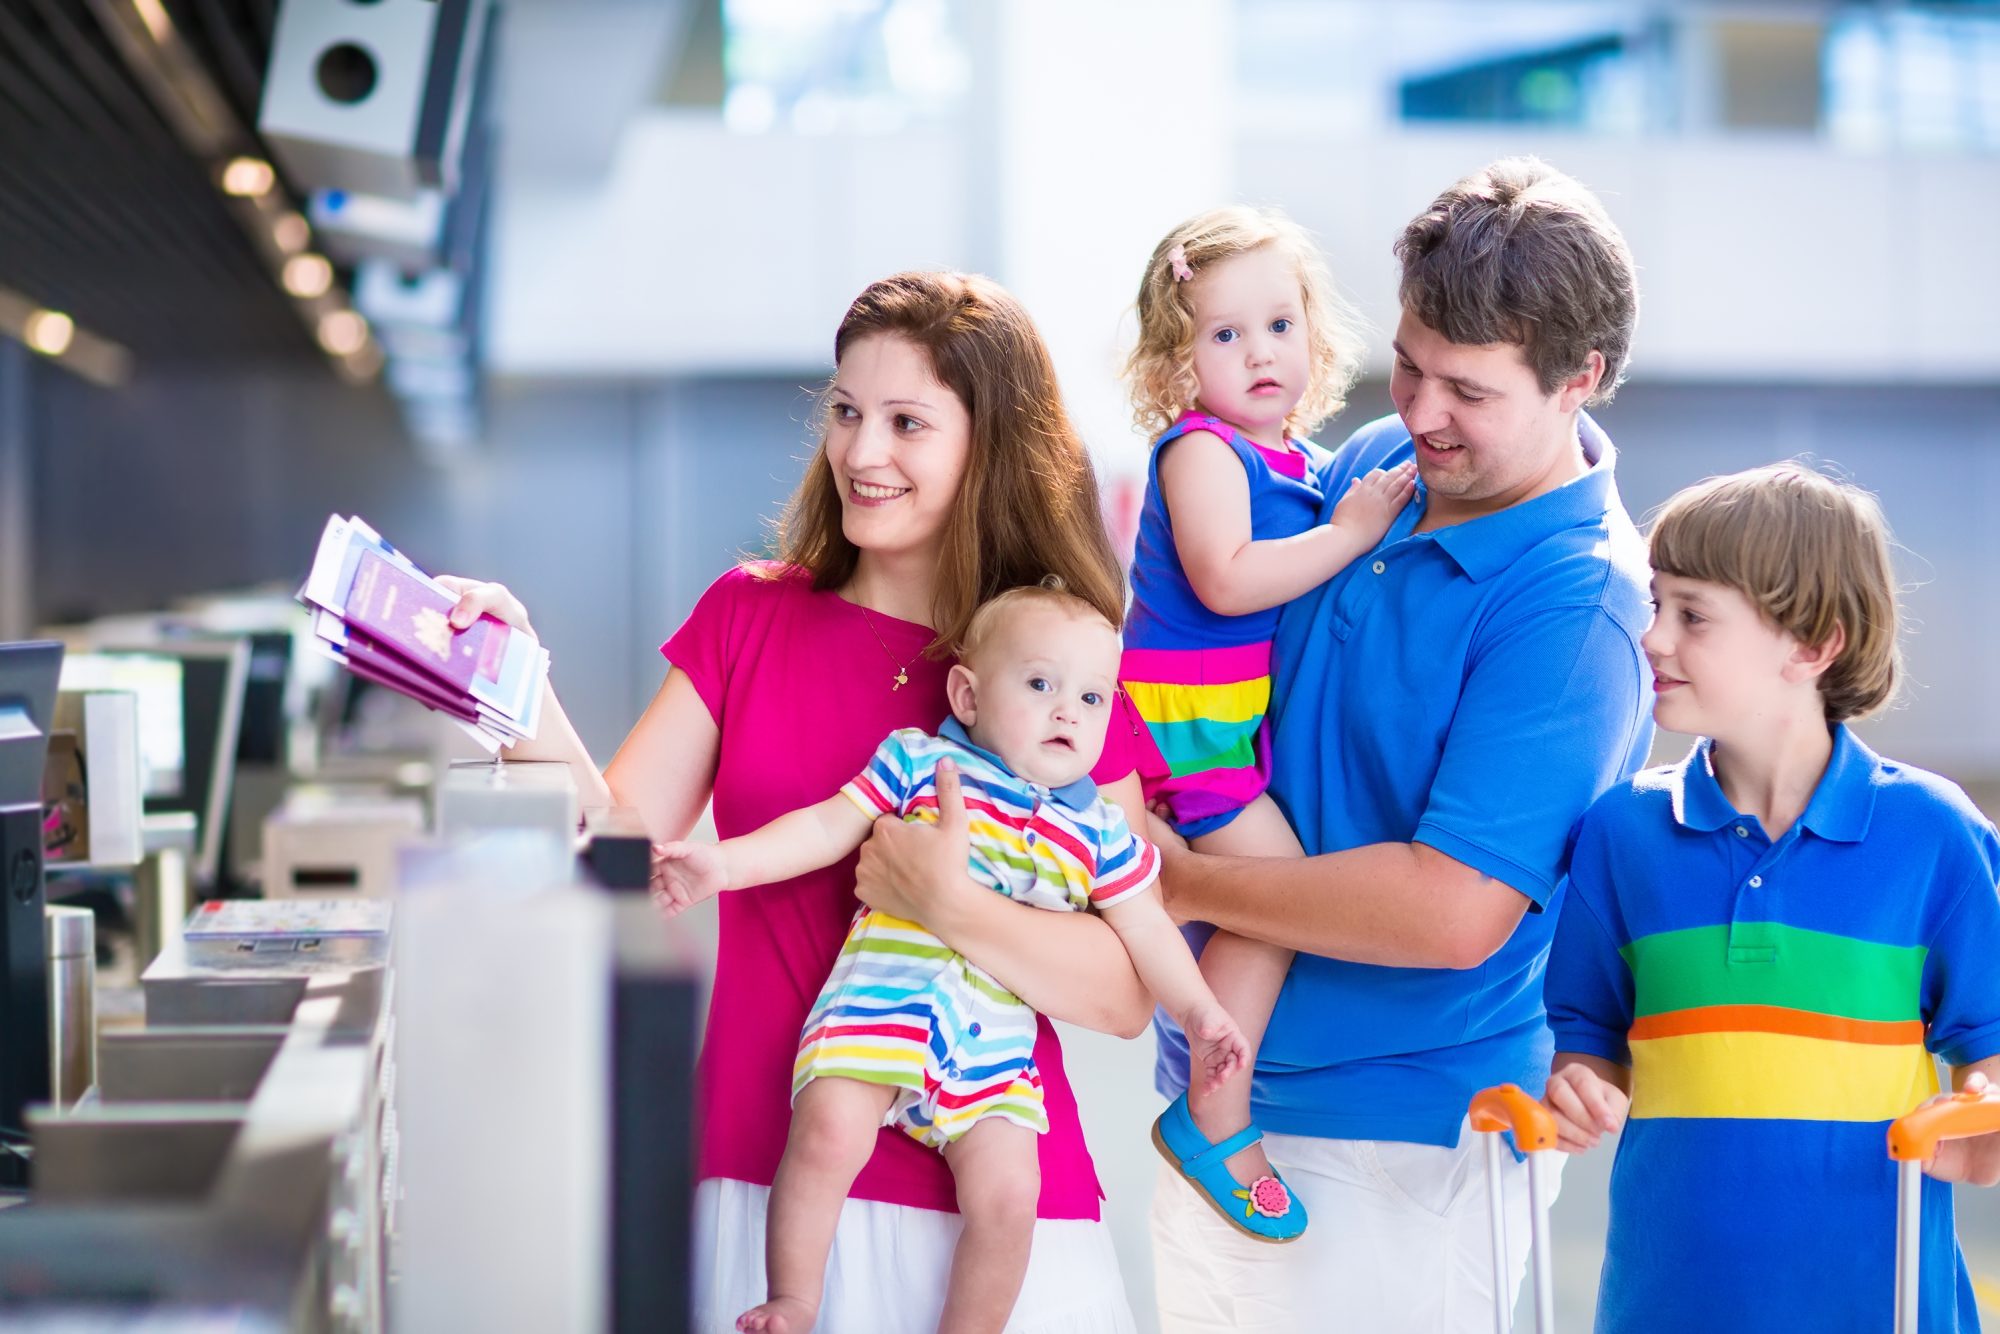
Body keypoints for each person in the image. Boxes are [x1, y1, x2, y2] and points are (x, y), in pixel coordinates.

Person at [440, 271, 1153, 1334]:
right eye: (847, 412)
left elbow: (1122, 991)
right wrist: (516, 685)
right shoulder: (749, 616)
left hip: (1000, 1225)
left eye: (907, 422)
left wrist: (948, 902)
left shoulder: (1060, 675)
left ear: (989, 444)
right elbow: (618, 840)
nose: (863, 452)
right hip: (771, 1191)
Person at [1123, 158, 1656, 1333]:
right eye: (1407, 364)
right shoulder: (1374, 465)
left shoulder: (1574, 611)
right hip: (1228, 1107)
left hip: (1406, 1145)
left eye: (1464, 388)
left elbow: (1449, 908)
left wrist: (1179, 878)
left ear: (1580, 379)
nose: (1418, 411)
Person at [652, 584, 1250, 1334]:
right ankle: (794, 1298)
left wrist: (1200, 1016)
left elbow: (1148, 933)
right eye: (1040, 685)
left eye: (1094, 698)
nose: (1069, 711)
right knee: (826, 1132)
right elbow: (825, 826)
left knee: (1007, 1200)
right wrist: (722, 865)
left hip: (993, 1058)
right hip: (878, 1013)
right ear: (967, 694)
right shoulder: (921, 762)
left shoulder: (1099, 834)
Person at [1542, 463, 2000, 1334]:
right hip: (1666, 1306)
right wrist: (1579, 1090)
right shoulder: (1621, 834)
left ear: (1812, 645)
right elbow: (1588, 1042)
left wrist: (1980, 1111)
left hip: (1887, 1306)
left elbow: (1993, 1044)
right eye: (1655, 607)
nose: (1653, 640)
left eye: (1693, 615)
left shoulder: (1933, 834)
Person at [1105, 205, 1414, 1240]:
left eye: (1278, 324)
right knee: (1276, 898)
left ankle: (1206, 1083)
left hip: (1223, 731)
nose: (1258, 352)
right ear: (1177, 362)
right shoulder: (1199, 452)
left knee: (1259, 900)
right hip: (1183, 729)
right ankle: (1210, 1110)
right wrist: (1349, 529)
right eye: (1223, 334)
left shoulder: (1284, 453)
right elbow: (1228, 579)